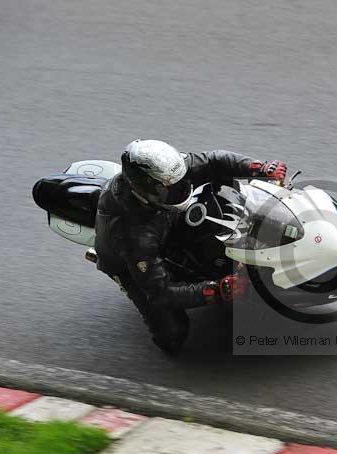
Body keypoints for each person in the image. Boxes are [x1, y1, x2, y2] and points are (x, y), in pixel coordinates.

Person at [94, 139, 287, 353]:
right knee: (173, 335)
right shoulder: (134, 235)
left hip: (166, 221)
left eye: (181, 181)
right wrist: (215, 291)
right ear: (145, 190)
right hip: (133, 263)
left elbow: (213, 161)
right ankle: (128, 284)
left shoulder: (167, 175)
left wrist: (257, 167)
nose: (183, 187)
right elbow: (162, 293)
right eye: (172, 188)